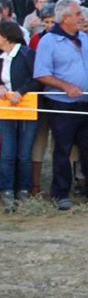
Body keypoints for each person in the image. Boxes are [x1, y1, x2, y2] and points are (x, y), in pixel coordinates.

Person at [33, 0, 88, 211]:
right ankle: (60, 193)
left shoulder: (83, 37)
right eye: (78, 14)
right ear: (65, 18)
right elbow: (42, 73)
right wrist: (65, 86)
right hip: (62, 105)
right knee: (62, 149)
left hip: (87, 102)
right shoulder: (48, 41)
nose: (82, 17)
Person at [0, 22, 41, 209]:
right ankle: (7, 189)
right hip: (6, 109)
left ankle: (23, 190)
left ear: (6, 37)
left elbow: (38, 78)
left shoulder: (26, 54)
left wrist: (21, 91)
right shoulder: (1, 57)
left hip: (27, 108)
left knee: (24, 153)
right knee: (8, 152)